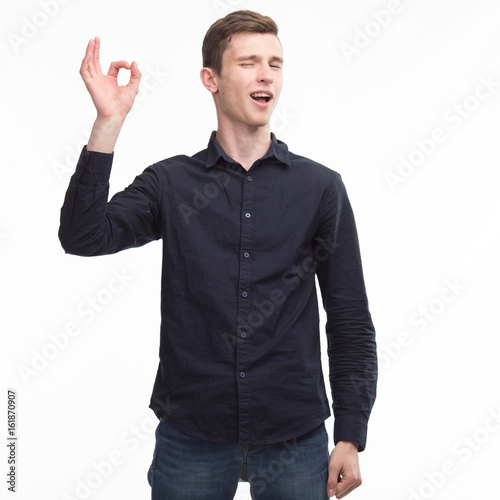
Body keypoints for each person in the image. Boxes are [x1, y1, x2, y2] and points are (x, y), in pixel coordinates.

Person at [59, 10, 377, 500]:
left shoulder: (320, 188)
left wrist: (352, 433)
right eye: (249, 62)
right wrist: (108, 122)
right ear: (211, 79)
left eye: (275, 62)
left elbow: (350, 316)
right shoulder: (171, 183)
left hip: (294, 434)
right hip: (192, 434)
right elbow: (83, 236)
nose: (266, 73)